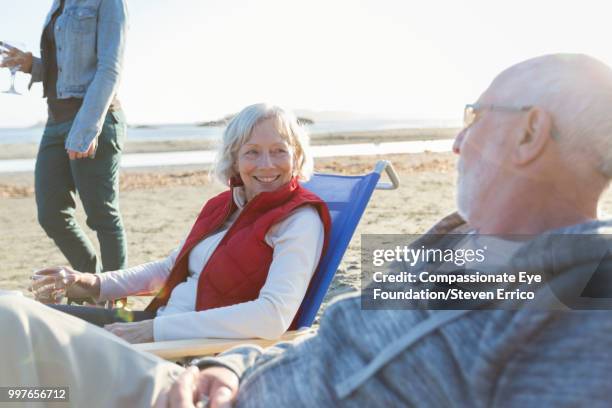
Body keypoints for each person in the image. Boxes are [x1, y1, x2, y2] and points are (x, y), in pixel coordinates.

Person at [4, 53, 612, 407]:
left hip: (180, 382)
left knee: (16, 337)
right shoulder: (453, 247)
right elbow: (320, 333)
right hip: (216, 382)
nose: (456, 140)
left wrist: (172, 342)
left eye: (473, 118)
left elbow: (278, 317)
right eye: (252, 153)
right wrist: (238, 366)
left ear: (530, 133)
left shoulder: (577, 303)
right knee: (14, 338)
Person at [30, 103, 331, 344]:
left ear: (297, 156)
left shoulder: (298, 220)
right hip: (161, 327)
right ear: (234, 158)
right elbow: (169, 268)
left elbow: (273, 316)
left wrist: (155, 332)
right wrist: (92, 282)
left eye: (279, 150)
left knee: (33, 335)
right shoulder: (224, 206)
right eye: (252, 151)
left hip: (187, 347)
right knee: (26, 315)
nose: (267, 164)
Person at [0, 0, 130, 279]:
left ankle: (114, 297)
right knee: (51, 214)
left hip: (93, 117)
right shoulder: (60, 3)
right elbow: (63, 66)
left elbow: (110, 70)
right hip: (56, 120)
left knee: (102, 217)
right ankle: (88, 281)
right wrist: (31, 65)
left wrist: (87, 128)